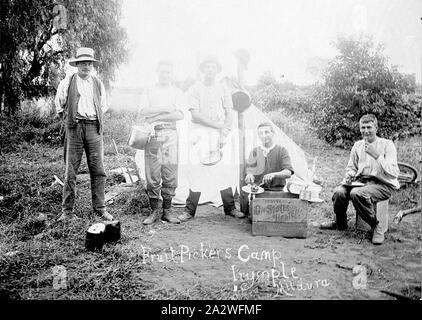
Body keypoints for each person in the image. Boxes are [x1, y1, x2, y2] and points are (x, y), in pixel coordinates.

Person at [177, 55, 245, 222]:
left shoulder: (223, 89)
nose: (210, 70)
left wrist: (224, 133)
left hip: (219, 134)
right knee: (196, 171)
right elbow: (196, 115)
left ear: (217, 70)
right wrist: (218, 126)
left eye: (213, 67)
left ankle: (229, 208)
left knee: (224, 170)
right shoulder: (195, 88)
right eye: (207, 66)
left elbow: (229, 113)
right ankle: (189, 210)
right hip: (199, 133)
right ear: (202, 70)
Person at [320, 114, 400, 245]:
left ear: (376, 128)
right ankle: (340, 223)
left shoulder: (387, 145)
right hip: (360, 181)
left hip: (382, 184)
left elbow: (394, 172)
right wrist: (350, 175)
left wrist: (377, 156)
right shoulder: (358, 145)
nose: (366, 131)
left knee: (356, 193)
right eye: (363, 127)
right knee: (339, 192)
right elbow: (351, 167)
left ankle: (376, 226)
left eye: (369, 127)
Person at [55, 47, 112, 221]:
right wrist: (71, 122)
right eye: (83, 63)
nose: (86, 67)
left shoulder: (97, 83)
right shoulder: (68, 82)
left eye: (89, 63)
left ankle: (100, 209)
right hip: (75, 128)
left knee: (98, 170)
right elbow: (59, 105)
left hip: (94, 128)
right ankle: (67, 212)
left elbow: (103, 106)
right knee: (70, 170)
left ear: (92, 65)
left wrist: (94, 119)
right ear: (77, 64)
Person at [139, 60, 185, 225]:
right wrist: (166, 109)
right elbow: (144, 111)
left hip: (170, 133)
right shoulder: (149, 90)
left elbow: (180, 115)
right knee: (153, 173)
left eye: (168, 72)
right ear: (157, 72)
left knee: (170, 173)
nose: (165, 75)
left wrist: (157, 115)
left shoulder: (177, 92)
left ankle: (167, 210)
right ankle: (154, 211)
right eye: (162, 72)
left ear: (172, 74)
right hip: (153, 134)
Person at [241, 122, 294, 216]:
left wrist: (274, 174)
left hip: (277, 193)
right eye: (260, 133)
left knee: (276, 217)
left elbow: (288, 172)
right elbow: (250, 171)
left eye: (266, 132)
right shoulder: (254, 152)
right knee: (256, 217)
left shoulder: (281, 150)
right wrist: (249, 176)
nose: (263, 136)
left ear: (273, 133)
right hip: (258, 193)